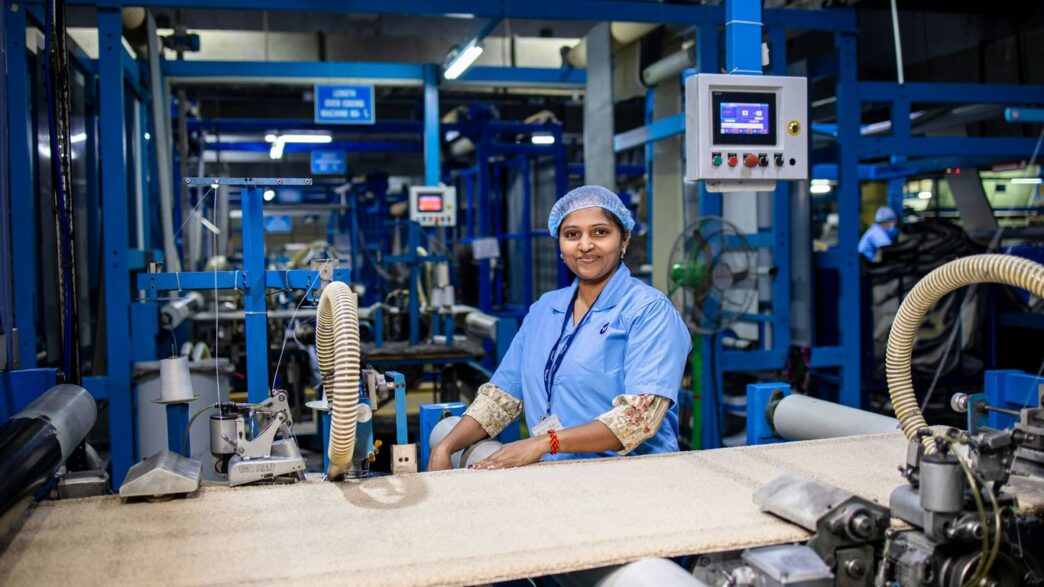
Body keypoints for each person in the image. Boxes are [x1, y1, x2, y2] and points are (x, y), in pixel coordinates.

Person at [429, 185, 691, 471]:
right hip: (555, 476)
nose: (586, 245)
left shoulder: (648, 311)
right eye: (572, 235)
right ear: (560, 244)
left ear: (624, 238)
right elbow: (501, 397)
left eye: (600, 232)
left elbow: (638, 419)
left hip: (634, 479)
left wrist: (544, 442)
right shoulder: (545, 309)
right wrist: (445, 446)